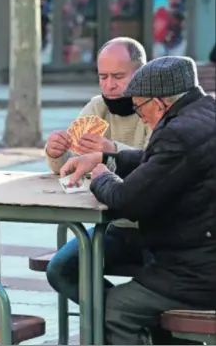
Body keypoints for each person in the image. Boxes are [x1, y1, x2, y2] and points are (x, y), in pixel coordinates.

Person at [60, 56, 216, 345]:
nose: (138, 113)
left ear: (159, 103)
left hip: (197, 271)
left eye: (139, 106)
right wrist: (107, 157)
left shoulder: (177, 134)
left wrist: (101, 176)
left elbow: (125, 201)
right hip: (198, 254)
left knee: (118, 307)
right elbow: (158, 163)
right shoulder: (205, 113)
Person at [44, 37, 151, 304]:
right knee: (61, 270)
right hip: (115, 226)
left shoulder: (155, 106)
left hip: (160, 229)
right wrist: (56, 153)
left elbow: (160, 163)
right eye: (102, 76)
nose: (109, 85)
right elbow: (69, 167)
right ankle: (117, 324)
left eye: (118, 76)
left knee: (158, 286)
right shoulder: (97, 107)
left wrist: (112, 150)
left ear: (141, 73)